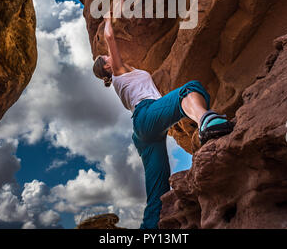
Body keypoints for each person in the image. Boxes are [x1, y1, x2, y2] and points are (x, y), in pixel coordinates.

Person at [93, 15, 233, 229]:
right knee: (190, 89)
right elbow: (110, 37)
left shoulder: (127, 76)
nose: (109, 56)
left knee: (157, 193)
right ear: (108, 68)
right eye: (106, 57)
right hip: (145, 115)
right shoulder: (119, 73)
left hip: (144, 134)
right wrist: (108, 19)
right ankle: (206, 121)